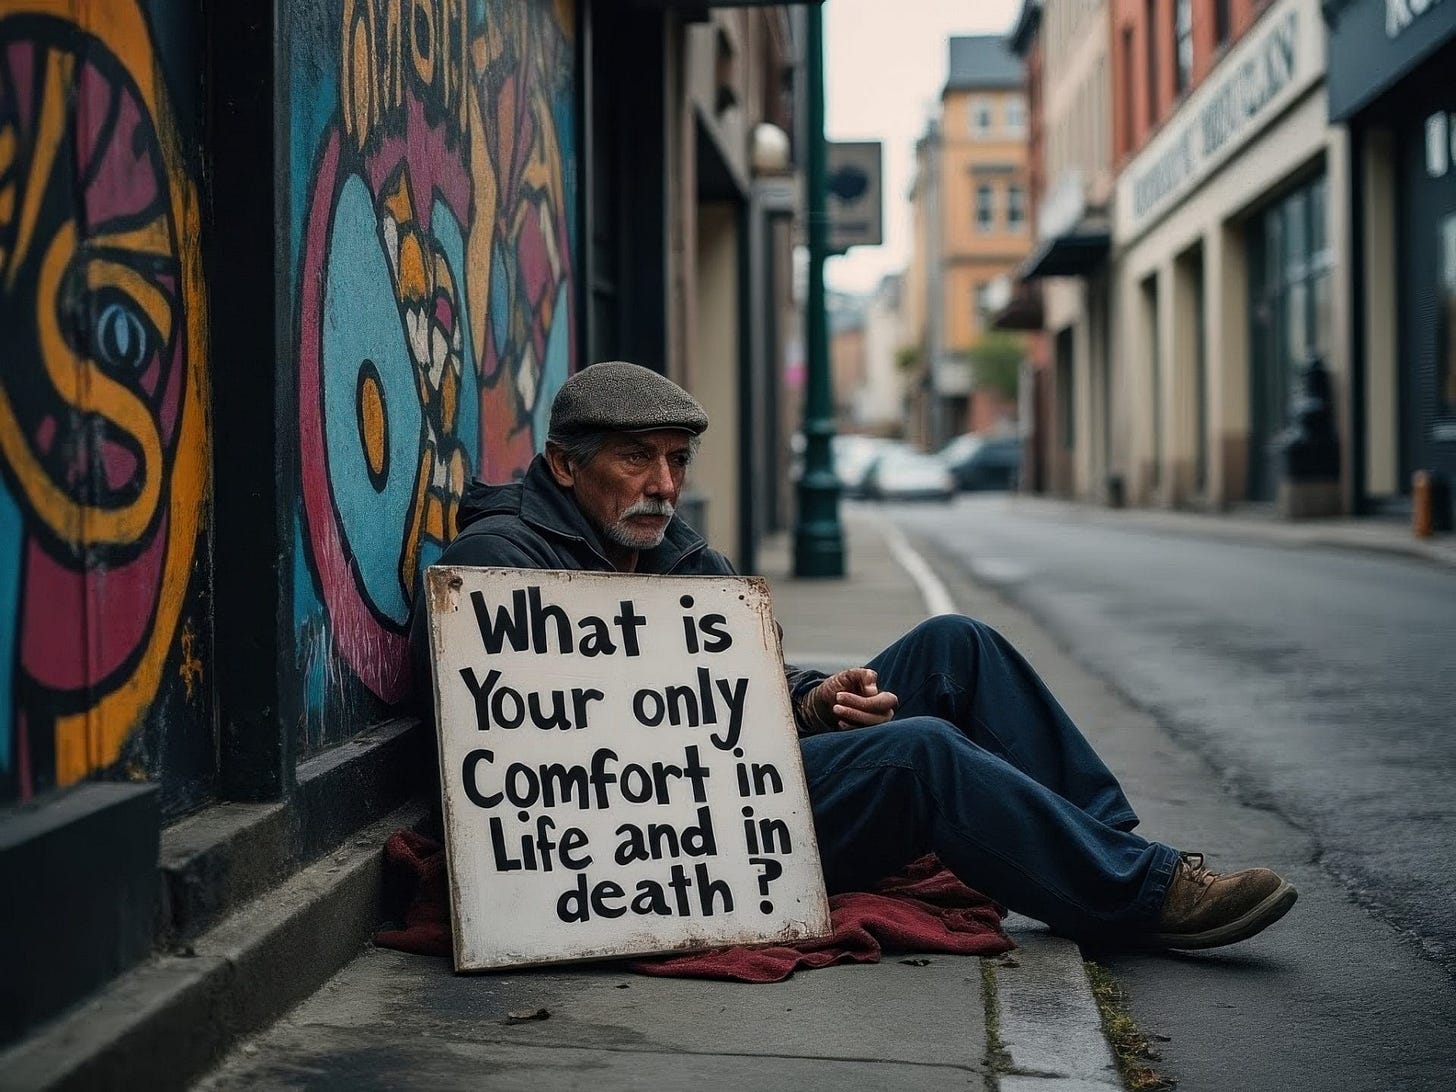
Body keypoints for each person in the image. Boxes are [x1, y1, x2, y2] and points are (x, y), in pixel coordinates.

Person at [408, 361, 1297, 950]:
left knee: (957, 645)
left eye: (676, 461)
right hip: (647, 846)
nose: (665, 487)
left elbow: (729, 682)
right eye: (638, 460)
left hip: (733, 789)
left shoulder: (680, 553)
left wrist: (810, 700)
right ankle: (1136, 902)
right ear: (566, 467)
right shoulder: (500, 563)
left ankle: (1109, 848)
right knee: (922, 754)